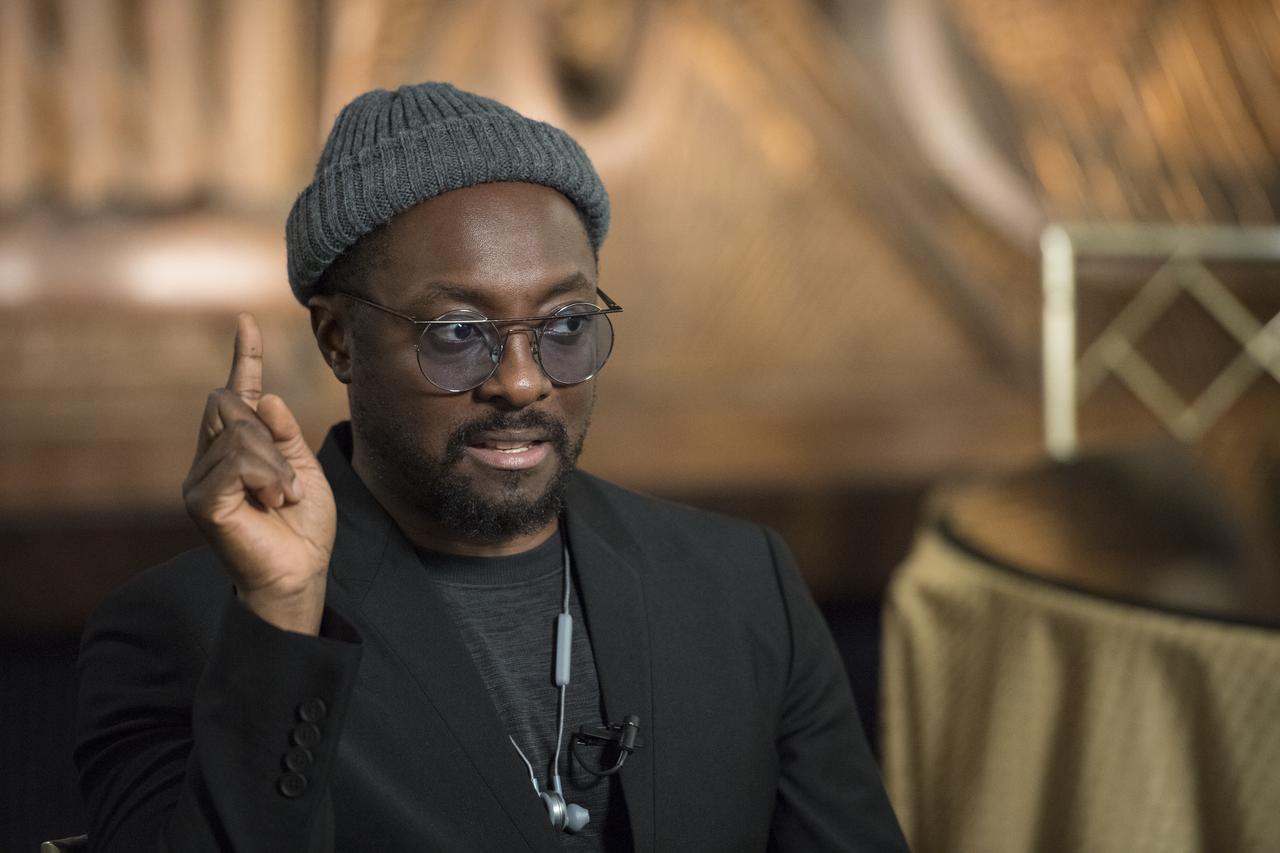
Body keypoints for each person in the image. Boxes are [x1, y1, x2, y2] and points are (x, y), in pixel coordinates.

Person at [74, 81, 908, 852]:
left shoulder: (740, 584)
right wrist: (284, 617)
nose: (521, 381)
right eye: (457, 333)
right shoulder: (181, 630)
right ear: (338, 340)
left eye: (566, 324)